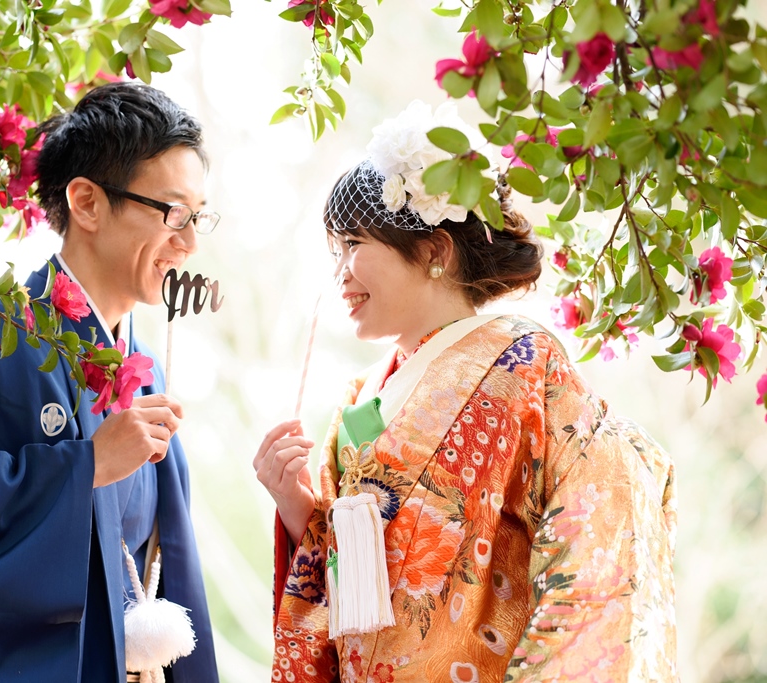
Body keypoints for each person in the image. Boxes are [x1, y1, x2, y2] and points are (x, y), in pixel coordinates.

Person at [253, 101, 677, 682]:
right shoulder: (362, 392)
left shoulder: (524, 362)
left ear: (433, 251)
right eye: (336, 251)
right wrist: (295, 504)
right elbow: (348, 586)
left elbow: (596, 519)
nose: (340, 272)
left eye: (354, 244)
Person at [0, 83, 220, 682]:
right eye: (173, 213)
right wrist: (82, 469)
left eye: (198, 217)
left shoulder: (145, 369)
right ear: (87, 202)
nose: (189, 242)